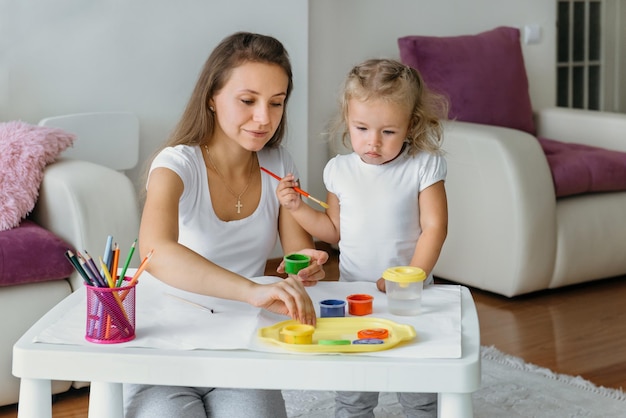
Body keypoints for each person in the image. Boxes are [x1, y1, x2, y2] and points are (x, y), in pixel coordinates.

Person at [124, 31, 329, 418]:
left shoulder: (279, 164)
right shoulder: (176, 164)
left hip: (239, 343)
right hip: (163, 348)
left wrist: (306, 263)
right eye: (248, 101)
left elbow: (296, 249)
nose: (263, 118)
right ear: (212, 99)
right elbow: (156, 251)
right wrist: (250, 290)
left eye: (276, 103)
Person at [275, 58, 448, 418]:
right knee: (354, 389)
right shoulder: (339, 170)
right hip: (355, 295)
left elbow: (435, 228)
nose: (372, 142)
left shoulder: (423, 165)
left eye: (387, 131)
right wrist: (295, 208)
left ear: (410, 125)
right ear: (347, 119)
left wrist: (408, 278)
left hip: (410, 298)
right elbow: (334, 232)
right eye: (361, 128)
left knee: (418, 388)